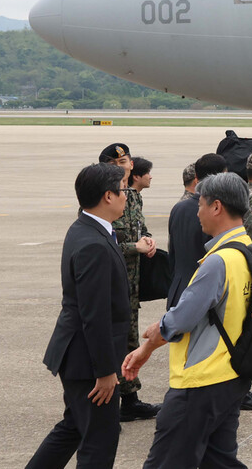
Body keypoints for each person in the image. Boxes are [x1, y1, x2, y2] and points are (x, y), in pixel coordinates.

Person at [122, 173, 252, 468]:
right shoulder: (249, 252)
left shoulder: (218, 262)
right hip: (231, 377)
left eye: (201, 205)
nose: (198, 213)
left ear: (217, 207)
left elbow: (178, 321)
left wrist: (145, 348)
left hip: (201, 382)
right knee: (219, 462)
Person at [27, 164, 130, 469]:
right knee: (100, 440)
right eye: (123, 189)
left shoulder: (87, 228)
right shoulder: (94, 243)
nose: (126, 195)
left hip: (78, 354)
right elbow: (94, 315)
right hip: (88, 361)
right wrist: (106, 371)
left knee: (73, 427)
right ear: (108, 196)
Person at [98, 143, 160, 422]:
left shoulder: (131, 197)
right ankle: (113, 401)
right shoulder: (103, 197)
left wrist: (147, 239)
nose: (124, 164)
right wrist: (135, 247)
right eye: (117, 161)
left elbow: (138, 228)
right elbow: (105, 244)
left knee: (130, 338)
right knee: (114, 339)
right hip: (114, 281)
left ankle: (130, 399)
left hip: (132, 283)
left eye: (126, 160)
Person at [167, 153, 226, 310]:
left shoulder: (179, 208)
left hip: (178, 292)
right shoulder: (217, 211)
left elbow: (172, 254)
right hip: (203, 295)